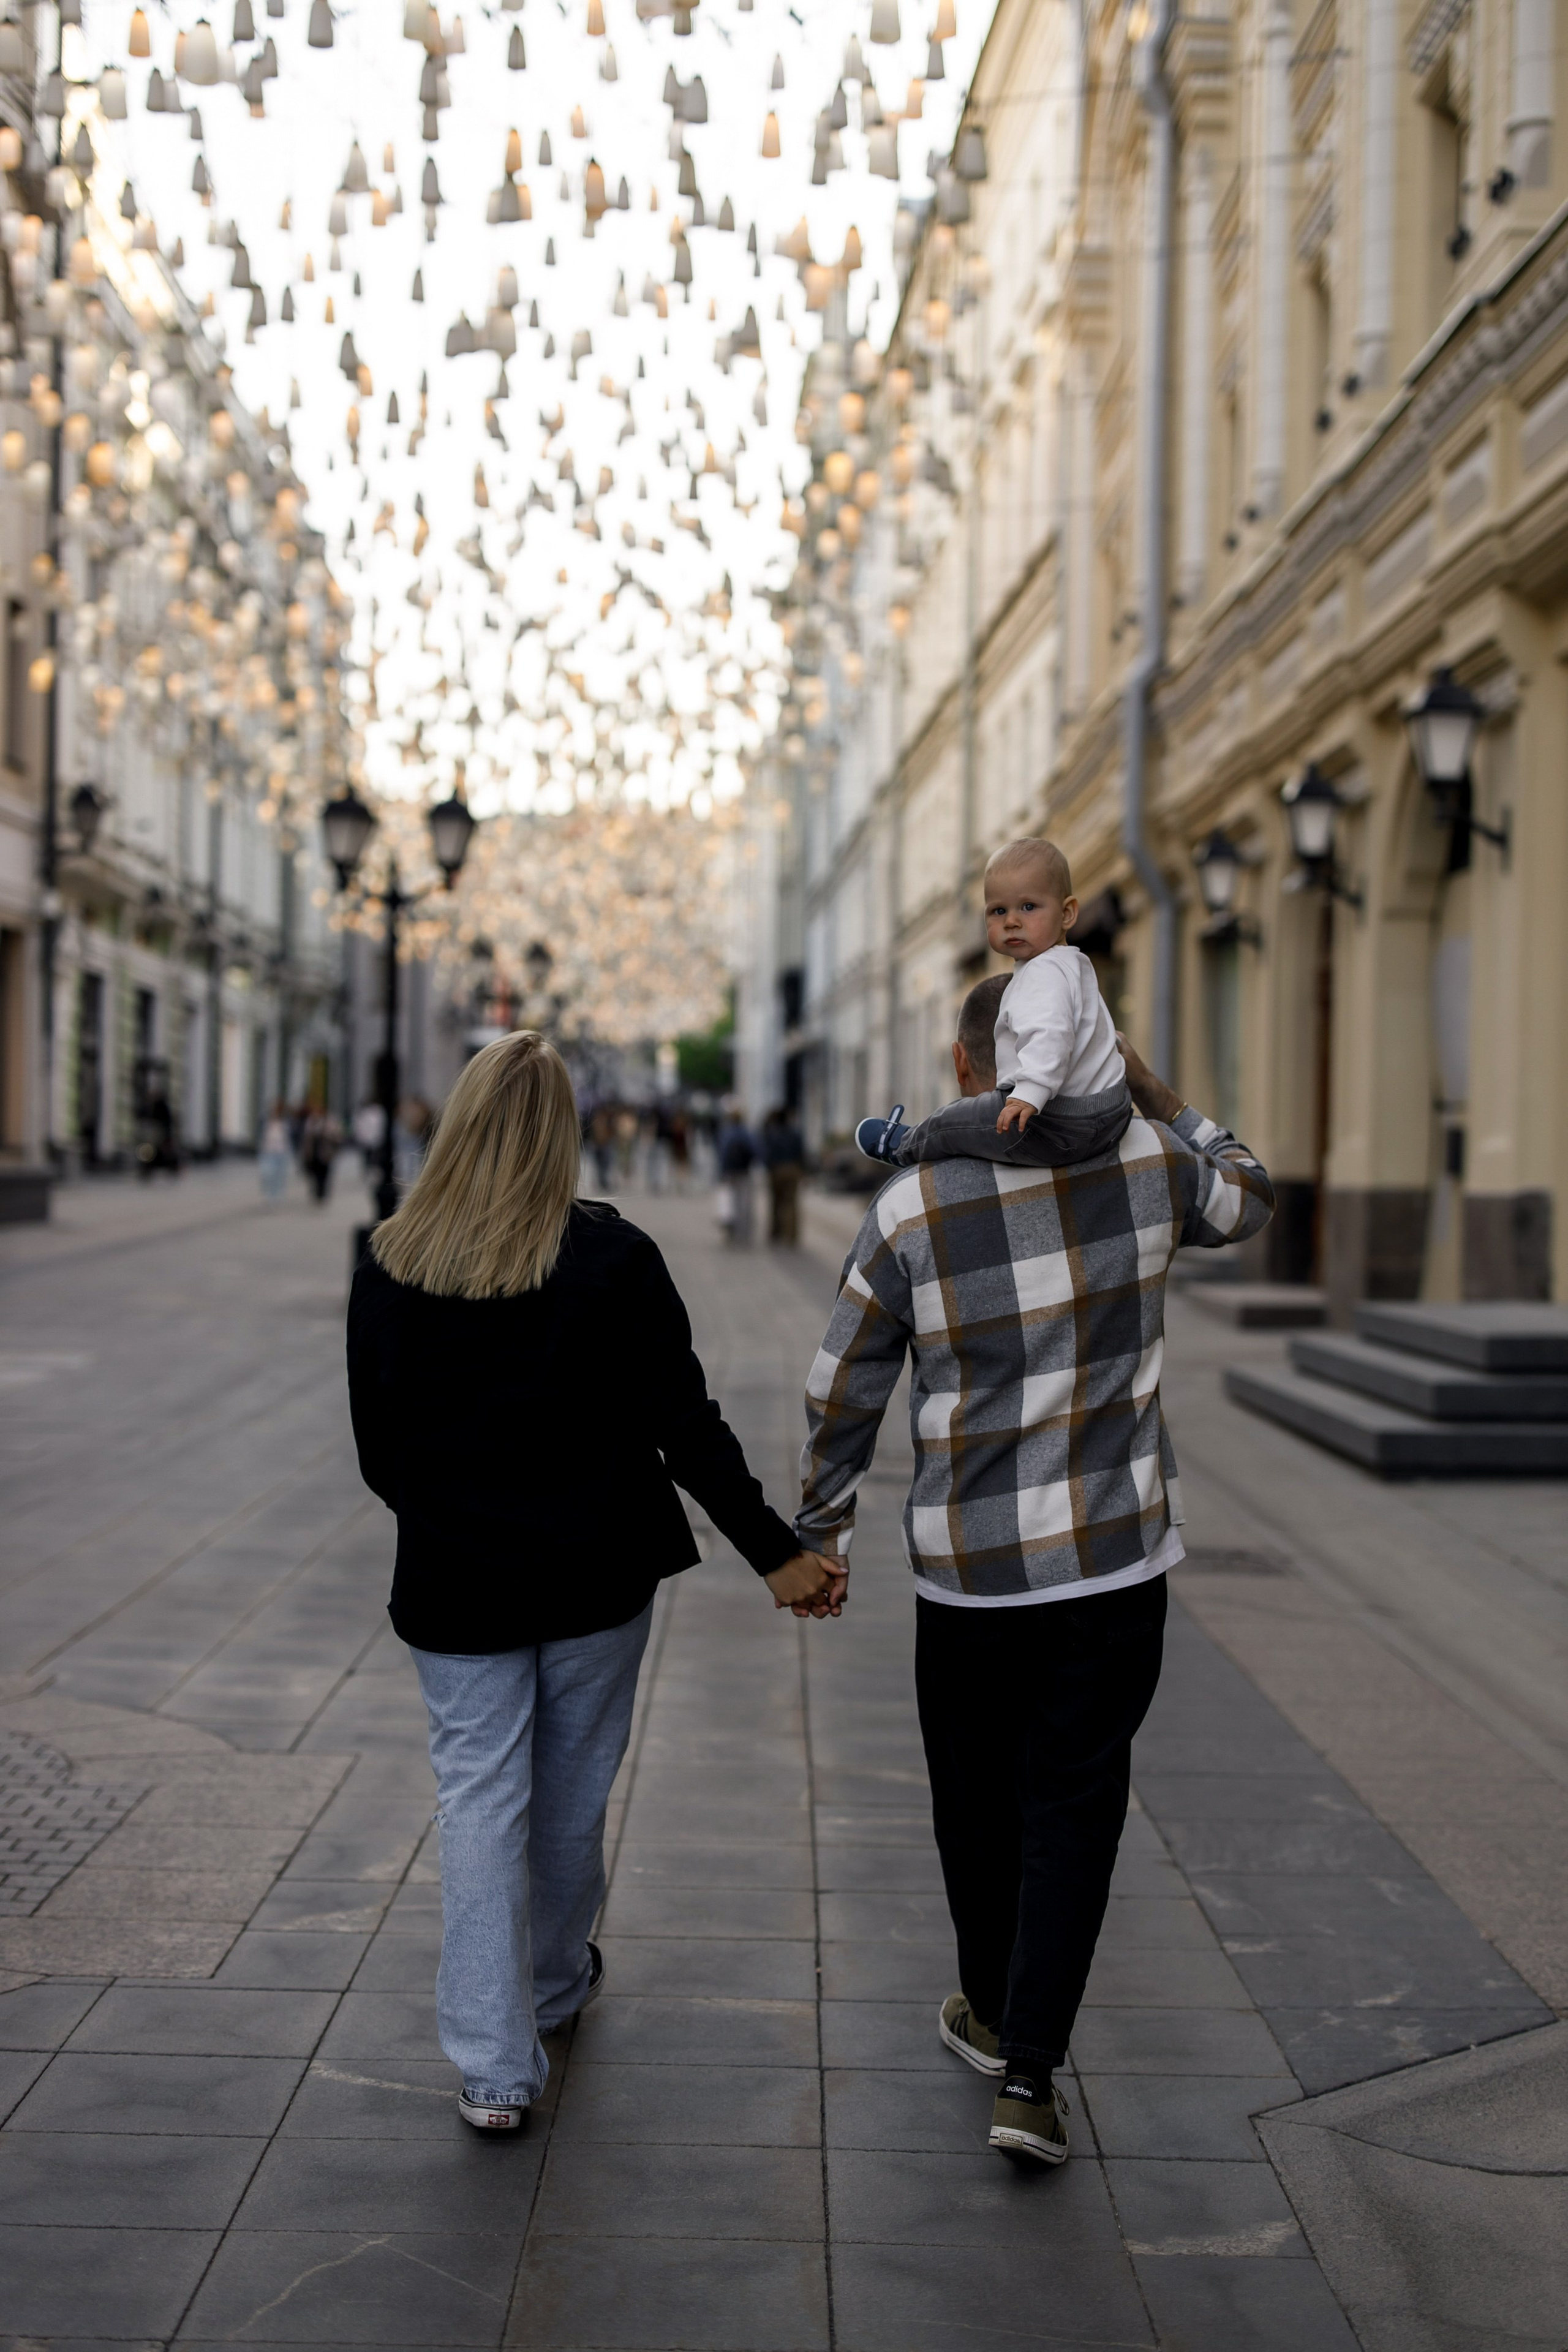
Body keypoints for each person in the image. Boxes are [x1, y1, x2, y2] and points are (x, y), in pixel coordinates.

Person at [793, 981, 1273, 2168]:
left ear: (969, 1071)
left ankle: (994, 2008)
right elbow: (1250, 1193)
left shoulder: (913, 1204)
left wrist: (822, 1532)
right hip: (1112, 1569)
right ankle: (1028, 2079)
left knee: (973, 1809)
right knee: (1073, 1809)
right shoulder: (1153, 1166)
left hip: (968, 1576)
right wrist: (1145, 1087)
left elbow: (842, 1384)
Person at [346, 1030, 841, 2136]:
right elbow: (686, 1429)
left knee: (479, 1798)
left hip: (456, 1583)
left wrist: (458, 1518)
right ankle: (555, 1988)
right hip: (594, 1577)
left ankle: (491, 2065)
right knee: (569, 1794)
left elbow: (382, 1452)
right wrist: (780, 1556)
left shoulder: (388, 1262)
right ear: (563, 1134)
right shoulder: (614, 1261)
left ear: (460, 1123)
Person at [856, 839, 1132, 1171]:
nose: (1012, 921)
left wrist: (1028, 1093)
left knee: (956, 1120)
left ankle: (901, 1144)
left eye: (1029, 907)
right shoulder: (1073, 964)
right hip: (1112, 1111)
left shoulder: (1042, 970)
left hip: (1063, 1121)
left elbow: (1051, 1033)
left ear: (1068, 913)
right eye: (999, 911)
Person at [761, 1106, 806, 1246]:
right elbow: (801, 1154)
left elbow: (767, 1154)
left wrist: (769, 1169)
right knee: (791, 1203)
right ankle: (791, 1235)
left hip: (777, 1170)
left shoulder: (773, 1134)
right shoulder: (795, 1134)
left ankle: (776, 1233)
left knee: (775, 1202)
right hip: (793, 1169)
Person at [715, 1106, 756, 1246]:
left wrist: (721, 1172)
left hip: (729, 1172)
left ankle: (730, 1231)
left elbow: (722, 1153)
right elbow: (755, 1150)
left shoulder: (727, 1133)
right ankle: (743, 1233)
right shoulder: (747, 1133)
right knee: (744, 1204)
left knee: (729, 1202)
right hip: (744, 1171)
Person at [299, 1106, 340, 1203]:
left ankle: (322, 1193)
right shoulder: (311, 1123)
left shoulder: (329, 1122)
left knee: (324, 1174)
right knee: (315, 1174)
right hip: (314, 1154)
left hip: (325, 1153)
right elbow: (306, 1139)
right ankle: (317, 1192)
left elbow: (337, 1137)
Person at [258, 1101, 292, 1204]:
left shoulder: (286, 1123)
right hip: (268, 1151)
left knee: (279, 1175)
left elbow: (290, 1138)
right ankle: (268, 1194)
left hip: (281, 1152)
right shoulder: (265, 1122)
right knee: (267, 1174)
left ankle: (276, 1195)